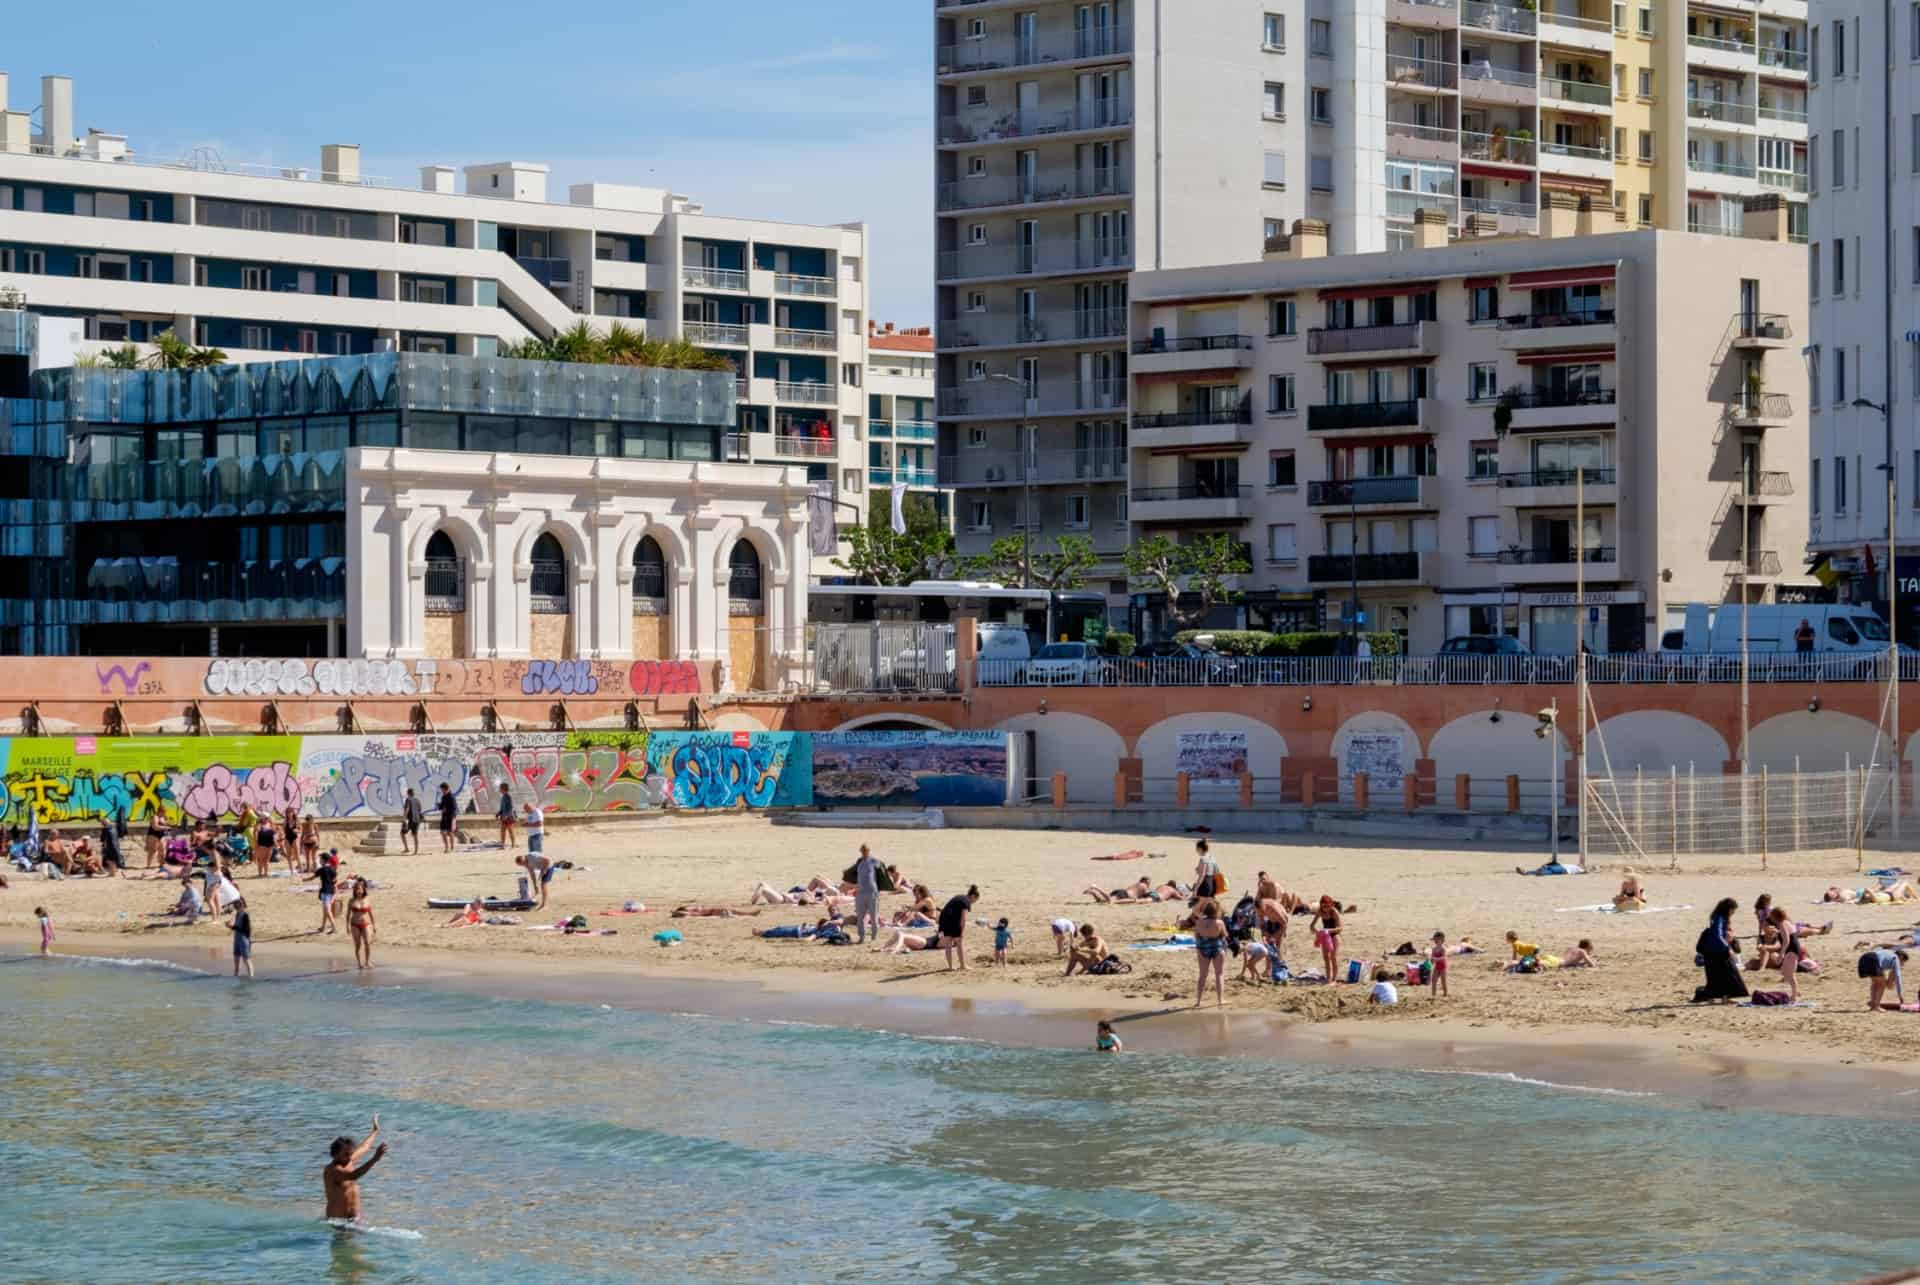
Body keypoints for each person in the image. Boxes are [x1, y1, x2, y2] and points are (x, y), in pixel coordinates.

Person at [323, 1117, 388, 1223]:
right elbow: (353, 1175)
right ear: (335, 1155)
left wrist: (375, 1131)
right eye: (345, 1154)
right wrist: (375, 1158)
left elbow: (365, 1146)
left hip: (354, 1220)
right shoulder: (332, 1170)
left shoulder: (348, 1161)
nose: (349, 1157)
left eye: (350, 1153)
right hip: (338, 1221)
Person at [1693, 897, 1748, 1004]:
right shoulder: (1719, 917)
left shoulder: (1718, 916)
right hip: (1717, 951)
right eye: (1733, 910)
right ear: (1728, 908)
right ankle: (1721, 997)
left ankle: (1722, 997)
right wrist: (1728, 948)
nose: (1733, 912)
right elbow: (1717, 935)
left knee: (1717, 975)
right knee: (1729, 974)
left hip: (1713, 951)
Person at [1765, 907, 1809, 1003]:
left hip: (1791, 950)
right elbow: (1787, 935)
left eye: (1771, 915)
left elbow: (1786, 941)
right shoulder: (1785, 922)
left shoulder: (1782, 924)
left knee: (1790, 974)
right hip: (1792, 949)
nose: (1770, 917)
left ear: (1776, 916)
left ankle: (1794, 996)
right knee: (1784, 972)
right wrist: (1777, 933)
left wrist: (1781, 954)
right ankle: (1796, 991)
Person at [1192, 898, 1228, 1007]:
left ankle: (1198, 1001)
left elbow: (1196, 936)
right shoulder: (1220, 922)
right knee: (1219, 974)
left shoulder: (1198, 922)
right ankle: (1220, 1000)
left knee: (1202, 975)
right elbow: (1225, 935)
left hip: (1203, 948)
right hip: (1217, 948)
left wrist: (1202, 901)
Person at [938, 884, 978, 972]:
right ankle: (963, 965)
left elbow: (946, 909)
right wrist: (962, 932)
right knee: (959, 943)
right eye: (975, 900)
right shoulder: (967, 901)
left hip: (944, 920)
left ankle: (950, 967)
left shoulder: (959, 897)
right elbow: (963, 918)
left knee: (948, 944)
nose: (973, 902)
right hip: (953, 922)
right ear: (973, 896)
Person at [851, 843, 882, 945]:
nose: (864, 852)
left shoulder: (874, 861)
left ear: (869, 851)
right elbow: (854, 874)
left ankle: (873, 937)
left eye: (866, 850)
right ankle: (861, 937)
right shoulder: (859, 863)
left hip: (872, 892)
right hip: (860, 893)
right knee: (860, 916)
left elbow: (881, 870)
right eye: (862, 850)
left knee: (874, 916)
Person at [1312, 896, 1343, 980]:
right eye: (1323, 906)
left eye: (1327, 906)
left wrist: (1328, 930)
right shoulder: (1320, 912)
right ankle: (1328, 978)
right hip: (1325, 936)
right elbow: (1312, 926)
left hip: (1335, 935)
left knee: (1333, 957)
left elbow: (1340, 928)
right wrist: (1317, 931)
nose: (1325, 908)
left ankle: (1334, 979)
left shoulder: (1334, 912)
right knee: (1326, 958)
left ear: (1331, 905)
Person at [347, 878, 375, 970]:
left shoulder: (367, 899)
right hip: (354, 925)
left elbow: (371, 913)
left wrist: (374, 925)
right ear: (354, 891)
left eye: (360, 889)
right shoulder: (351, 900)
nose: (359, 891)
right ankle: (359, 963)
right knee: (358, 945)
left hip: (366, 924)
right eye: (357, 889)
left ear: (363, 890)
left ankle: (367, 962)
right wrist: (347, 926)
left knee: (367, 943)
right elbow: (348, 915)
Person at [316, 853, 339, 935]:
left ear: (323, 860)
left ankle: (334, 928)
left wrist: (304, 880)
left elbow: (313, 876)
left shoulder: (322, 869)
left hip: (326, 892)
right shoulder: (332, 869)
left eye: (320, 859)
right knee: (325, 911)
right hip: (329, 892)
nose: (319, 860)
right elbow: (335, 880)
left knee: (328, 911)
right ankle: (323, 927)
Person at [231, 898, 254, 979]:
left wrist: (232, 927)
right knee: (236, 959)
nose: (236, 908)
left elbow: (246, 930)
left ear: (242, 905)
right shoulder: (237, 914)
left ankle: (251, 977)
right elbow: (237, 928)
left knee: (246, 959)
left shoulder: (245, 915)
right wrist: (232, 927)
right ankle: (235, 976)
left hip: (244, 940)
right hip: (237, 940)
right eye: (235, 906)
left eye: (237, 906)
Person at [400, 789, 424, 856]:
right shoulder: (418, 800)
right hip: (417, 820)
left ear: (408, 793)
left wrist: (404, 818)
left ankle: (406, 848)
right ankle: (416, 851)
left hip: (410, 820)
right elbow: (419, 810)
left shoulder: (408, 799)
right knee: (415, 835)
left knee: (402, 833)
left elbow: (407, 809)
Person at [436, 785, 458, 853]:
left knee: (450, 832)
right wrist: (439, 805)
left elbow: (454, 808)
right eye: (441, 790)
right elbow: (442, 807)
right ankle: (446, 847)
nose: (442, 791)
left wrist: (446, 810)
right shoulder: (443, 797)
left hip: (451, 817)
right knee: (442, 832)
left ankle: (452, 848)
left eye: (442, 790)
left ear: (446, 789)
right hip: (444, 817)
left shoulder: (452, 797)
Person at [1429, 931, 1450, 999]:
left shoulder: (1443, 949)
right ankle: (1433, 994)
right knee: (1433, 980)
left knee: (1443, 981)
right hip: (1436, 967)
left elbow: (1444, 957)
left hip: (1443, 967)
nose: (1435, 941)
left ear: (1442, 940)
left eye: (1437, 940)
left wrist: (1436, 959)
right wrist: (1431, 960)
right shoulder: (1434, 949)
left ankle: (1445, 994)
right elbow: (1432, 958)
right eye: (1434, 940)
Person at [497, 782, 517, 848]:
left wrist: (507, 816)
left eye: (500, 788)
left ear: (503, 788)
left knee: (511, 831)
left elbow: (511, 807)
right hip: (503, 816)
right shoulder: (503, 797)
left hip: (509, 817)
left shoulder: (508, 796)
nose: (499, 789)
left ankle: (513, 844)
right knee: (502, 831)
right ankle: (502, 845)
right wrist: (498, 813)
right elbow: (502, 808)